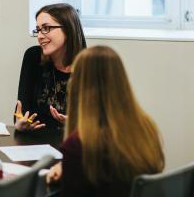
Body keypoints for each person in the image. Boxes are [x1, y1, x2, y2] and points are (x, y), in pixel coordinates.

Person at [46, 46, 165, 196]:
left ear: (78, 86)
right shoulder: (146, 128)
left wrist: (70, 166)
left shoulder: (78, 146)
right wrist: (67, 167)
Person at [15, 3, 86, 131]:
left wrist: (74, 125)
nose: (40, 36)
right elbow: (21, 113)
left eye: (46, 28)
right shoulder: (33, 57)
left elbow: (102, 125)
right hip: (34, 143)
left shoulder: (90, 65)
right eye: (38, 29)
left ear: (68, 29)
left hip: (74, 145)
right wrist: (21, 124)